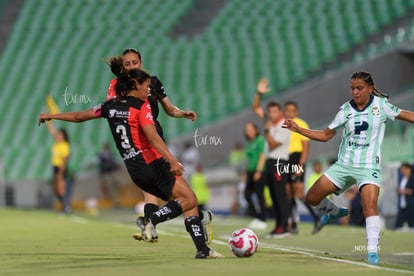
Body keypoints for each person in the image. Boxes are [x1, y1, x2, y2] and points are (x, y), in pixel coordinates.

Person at [38, 68, 223, 259]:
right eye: (146, 87)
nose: (148, 91)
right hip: (153, 163)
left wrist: (51, 116)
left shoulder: (109, 107)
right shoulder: (142, 107)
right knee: (189, 199)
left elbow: (79, 117)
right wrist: (172, 160)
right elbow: (152, 137)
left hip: (134, 170)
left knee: (184, 202)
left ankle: (203, 248)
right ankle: (150, 221)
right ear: (135, 85)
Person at [283, 71, 414, 264]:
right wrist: (298, 129)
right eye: (352, 88)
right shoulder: (345, 110)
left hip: (369, 166)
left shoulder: (381, 106)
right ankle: (335, 211)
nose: (355, 92)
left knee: (369, 205)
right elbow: (326, 135)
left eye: (359, 88)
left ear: (370, 88)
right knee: (311, 197)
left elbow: (407, 115)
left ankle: (372, 251)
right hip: (344, 166)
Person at [106, 49, 213, 244]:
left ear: (141, 62)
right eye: (127, 64)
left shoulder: (152, 83)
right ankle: (155, 226)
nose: (131, 67)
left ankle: (191, 220)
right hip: (138, 144)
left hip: (155, 141)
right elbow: (112, 110)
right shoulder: (118, 85)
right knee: (153, 193)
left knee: (179, 193)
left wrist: (183, 113)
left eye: (134, 63)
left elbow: (170, 109)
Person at [252, 78, 291, 238]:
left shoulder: (284, 124)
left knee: (280, 195)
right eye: (270, 112)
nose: (271, 114)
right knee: (273, 195)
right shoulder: (269, 122)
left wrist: (267, 131)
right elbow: (255, 107)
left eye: (275, 112)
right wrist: (259, 93)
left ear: (280, 112)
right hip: (270, 162)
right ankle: (278, 227)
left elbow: (274, 145)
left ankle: (284, 227)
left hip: (279, 162)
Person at [283, 101, 322, 234]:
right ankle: (293, 224)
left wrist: (301, 165)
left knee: (299, 194)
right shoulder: (281, 125)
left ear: (296, 112)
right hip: (284, 160)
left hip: (297, 159)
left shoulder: (301, 124)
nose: (289, 112)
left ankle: (316, 217)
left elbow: (305, 148)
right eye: (287, 110)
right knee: (288, 194)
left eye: (292, 110)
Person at [44, 120, 71, 214]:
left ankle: (66, 207)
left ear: (63, 136)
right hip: (55, 167)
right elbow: (52, 131)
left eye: (60, 135)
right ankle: (64, 206)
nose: (57, 136)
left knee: (61, 189)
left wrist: (60, 172)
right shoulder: (57, 144)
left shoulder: (64, 146)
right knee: (56, 189)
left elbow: (64, 160)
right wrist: (48, 121)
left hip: (61, 168)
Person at [244, 122, 267, 230]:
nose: (247, 131)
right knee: (247, 194)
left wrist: (258, 171)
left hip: (259, 170)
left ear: (256, 130)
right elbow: (249, 159)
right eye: (246, 129)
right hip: (250, 171)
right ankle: (257, 216)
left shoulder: (260, 140)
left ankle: (263, 218)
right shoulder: (249, 142)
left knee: (259, 194)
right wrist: (247, 172)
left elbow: (262, 156)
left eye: (250, 129)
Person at [97, 143, 122, 207]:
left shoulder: (111, 155)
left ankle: (116, 201)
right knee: (110, 188)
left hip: (112, 173)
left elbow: (116, 164)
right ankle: (115, 202)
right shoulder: (102, 156)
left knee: (115, 187)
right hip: (107, 174)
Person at [394, 163, 414, 229]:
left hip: (411, 206)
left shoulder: (412, 178)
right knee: (397, 226)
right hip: (402, 206)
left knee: (412, 225)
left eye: (404, 169)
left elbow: (411, 191)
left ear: (408, 169)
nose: (402, 171)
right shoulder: (402, 179)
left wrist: (404, 191)